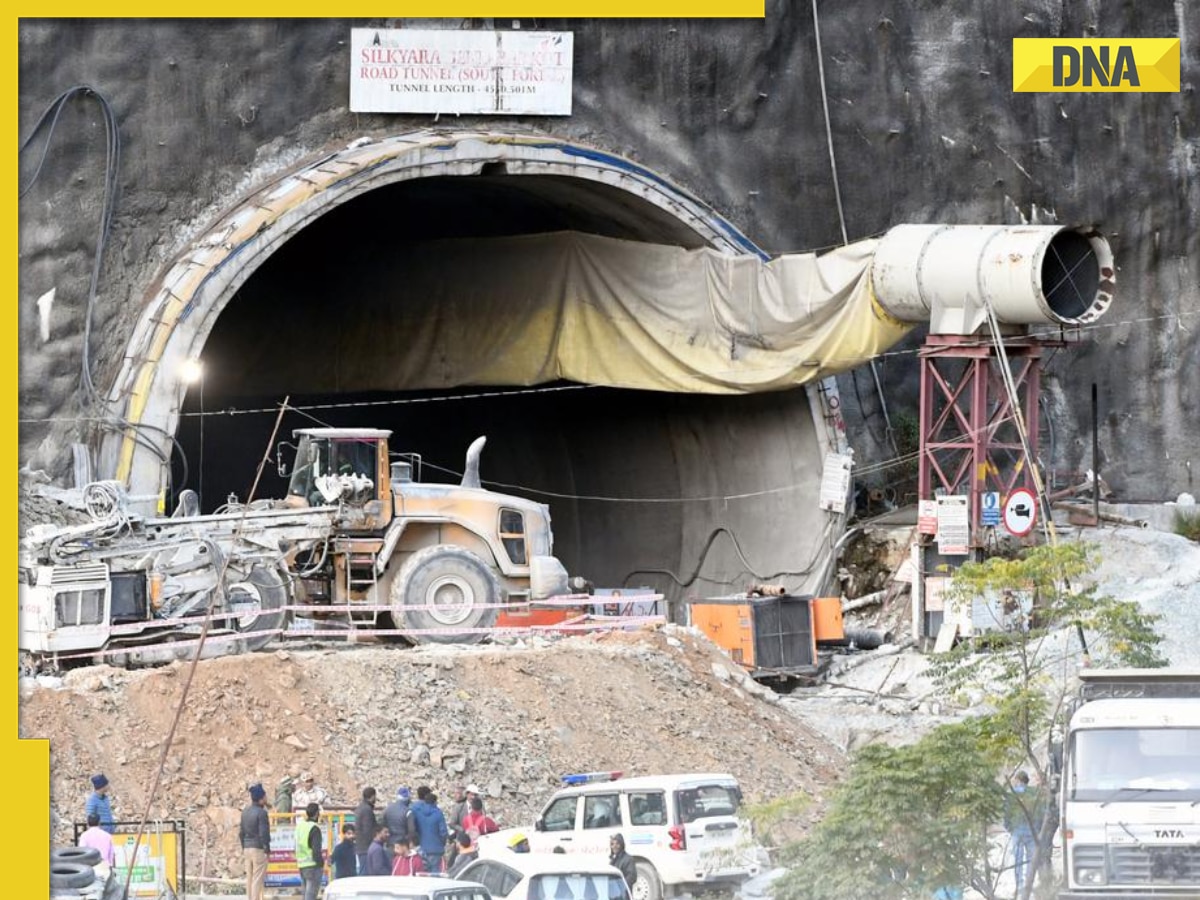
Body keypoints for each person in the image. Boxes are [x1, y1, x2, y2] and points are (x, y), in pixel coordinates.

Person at [1004, 770, 1045, 899]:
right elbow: (1041, 811)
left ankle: (1020, 886)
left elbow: (1006, 814)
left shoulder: (1012, 794)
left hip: (1017, 830)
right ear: (1027, 780)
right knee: (1031, 860)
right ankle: (1029, 886)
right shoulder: (1033, 792)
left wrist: (1009, 828)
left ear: (1017, 780)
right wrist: (1037, 828)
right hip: (1031, 830)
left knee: (1018, 860)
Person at [239, 783, 271, 900]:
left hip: (247, 848)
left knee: (250, 878)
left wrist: (244, 846)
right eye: (265, 796)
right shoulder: (262, 813)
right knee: (257, 879)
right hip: (258, 848)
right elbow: (264, 833)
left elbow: (241, 832)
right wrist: (267, 848)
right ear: (261, 799)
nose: (266, 799)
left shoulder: (245, 811)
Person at [412, 788, 450, 872]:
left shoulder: (418, 812)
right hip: (436, 849)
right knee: (435, 875)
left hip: (422, 848)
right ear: (435, 802)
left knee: (422, 874)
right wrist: (441, 843)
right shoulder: (438, 813)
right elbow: (443, 832)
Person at [295, 802, 324, 900]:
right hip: (313, 865)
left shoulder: (300, 826)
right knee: (311, 895)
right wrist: (321, 863)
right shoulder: (314, 828)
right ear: (317, 813)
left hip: (302, 865)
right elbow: (316, 850)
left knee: (306, 894)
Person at [354, 787, 379, 874]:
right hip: (366, 848)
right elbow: (367, 830)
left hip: (361, 846)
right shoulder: (367, 810)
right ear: (372, 796)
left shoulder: (361, 807)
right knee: (365, 873)